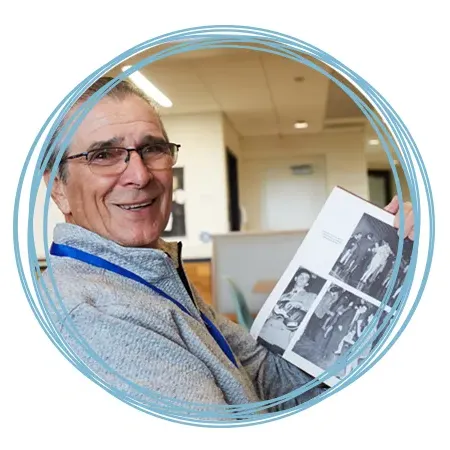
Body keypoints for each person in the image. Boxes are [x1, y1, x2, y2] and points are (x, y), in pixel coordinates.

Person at [41, 76, 415, 418]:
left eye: (152, 149)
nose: (139, 175)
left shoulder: (153, 273)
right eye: (103, 155)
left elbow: (271, 382)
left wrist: (387, 267)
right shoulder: (92, 315)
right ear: (58, 187)